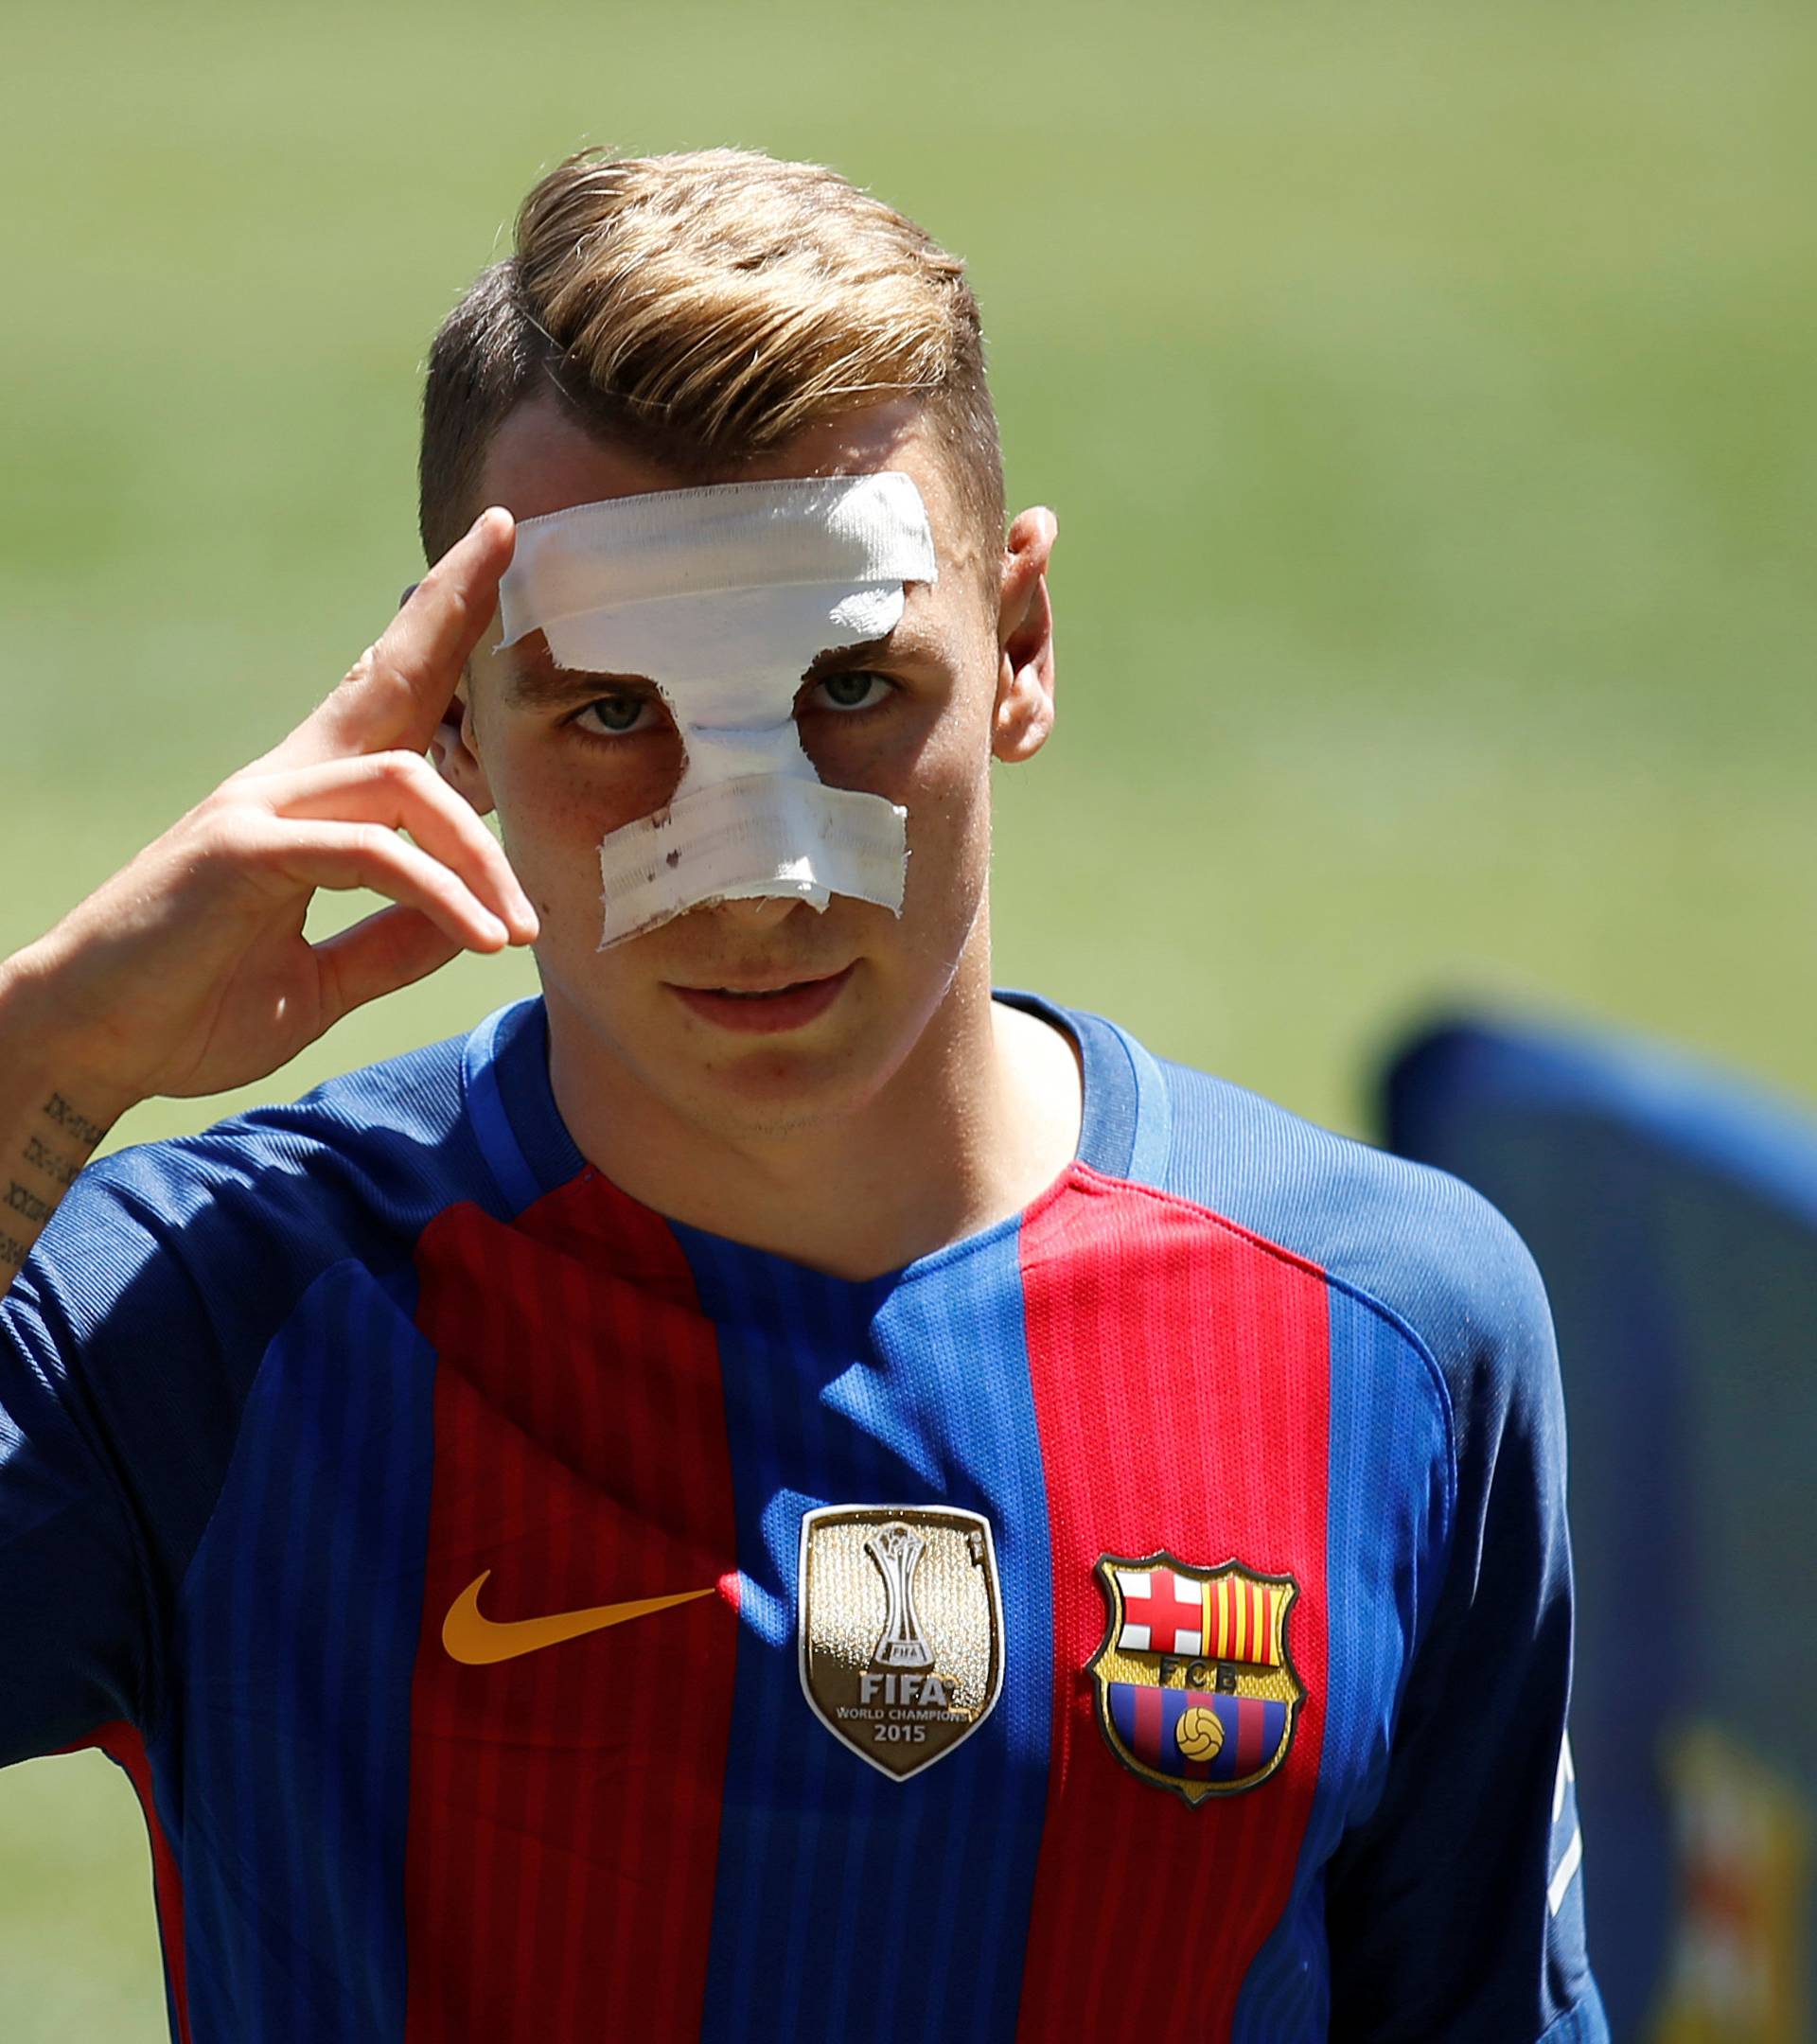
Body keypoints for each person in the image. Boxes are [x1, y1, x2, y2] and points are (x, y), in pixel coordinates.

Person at [0, 148, 1607, 2043]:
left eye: (850, 686)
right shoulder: (212, 1319)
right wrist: (46, 1059)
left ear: (1016, 642)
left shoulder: (1393, 1342)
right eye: (613, 713)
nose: (757, 874)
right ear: (449, 714)